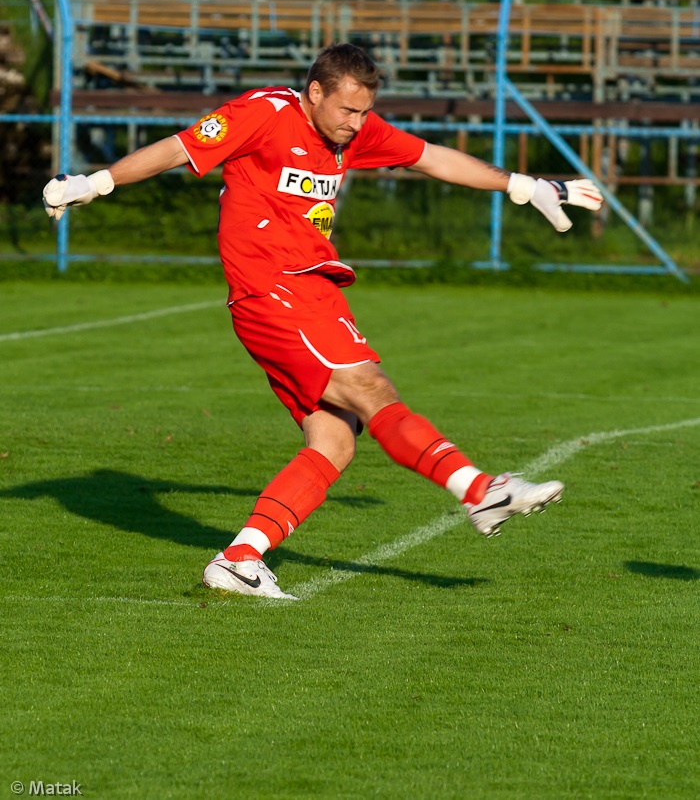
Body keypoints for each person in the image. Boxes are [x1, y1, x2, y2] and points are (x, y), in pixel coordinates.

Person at [43, 43, 603, 600]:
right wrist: (96, 183)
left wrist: (526, 186)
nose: (356, 124)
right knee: (370, 388)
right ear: (315, 93)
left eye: (363, 112)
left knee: (335, 438)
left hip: (311, 289)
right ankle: (481, 490)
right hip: (274, 289)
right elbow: (178, 149)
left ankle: (240, 559)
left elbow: (432, 157)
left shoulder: (354, 132)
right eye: (347, 110)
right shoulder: (265, 112)